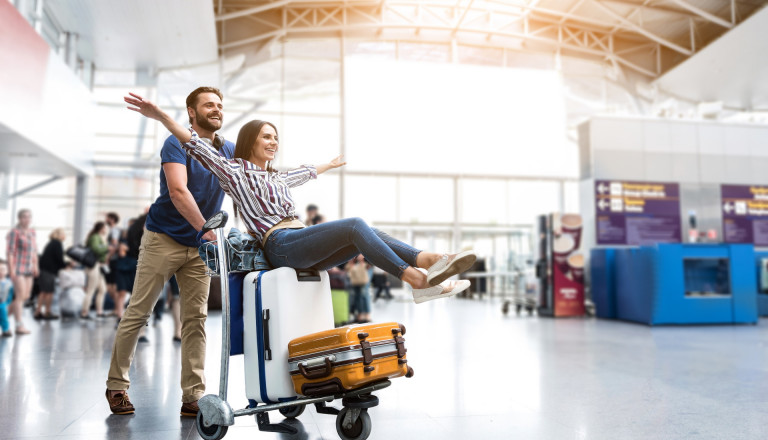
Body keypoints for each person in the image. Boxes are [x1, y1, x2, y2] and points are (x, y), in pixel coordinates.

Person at [125, 93, 477, 304]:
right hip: (280, 244)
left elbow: (306, 172)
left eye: (276, 137)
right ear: (250, 141)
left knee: (366, 234)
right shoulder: (235, 172)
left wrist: (329, 164)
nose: (274, 142)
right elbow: (194, 144)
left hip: (299, 241)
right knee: (354, 225)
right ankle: (415, 277)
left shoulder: (277, 176)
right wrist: (163, 117)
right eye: (267, 136)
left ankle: (429, 259)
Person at [106, 87, 236, 417]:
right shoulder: (175, 142)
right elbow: (178, 192)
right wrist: (207, 230)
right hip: (163, 238)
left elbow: (251, 179)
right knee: (138, 312)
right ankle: (117, 385)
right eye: (209, 105)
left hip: (199, 247)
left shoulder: (229, 149)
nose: (216, 109)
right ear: (192, 112)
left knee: (196, 320)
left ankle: (193, 395)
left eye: (220, 105)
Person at [6, 209, 38, 335]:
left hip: (29, 268)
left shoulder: (32, 232)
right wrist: (11, 270)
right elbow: (10, 252)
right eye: (24, 217)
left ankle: (2, 317)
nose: (27, 219)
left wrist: (36, 266)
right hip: (18, 268)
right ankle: (19, 326)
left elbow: (34, 251)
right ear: (19, 218)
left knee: (25, 296)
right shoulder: (14, 232)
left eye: (29, 217)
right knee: (19, 297)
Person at [35, 228, 68, 320]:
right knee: (49, 292)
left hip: (44, 270)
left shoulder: (51, 243)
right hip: (49, 271)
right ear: (59, 235)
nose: (65, 236)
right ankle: (47, 312)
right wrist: (66, 265)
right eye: (64, 234)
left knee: (43, 292)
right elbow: (59, 258)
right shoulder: (57, 243)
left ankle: (38, 311)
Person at [82, 222, 109, 320]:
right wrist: (107, 248)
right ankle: (84, 312)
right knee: (91, 290)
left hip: (99, 266)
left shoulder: (101, 237)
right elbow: (95, 249)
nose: (107, 229)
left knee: (103, 289)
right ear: (101, 228)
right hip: (94, 266)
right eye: (105, 227)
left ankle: (99, 311)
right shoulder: (95, 237)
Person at [346, 255, 371, 323]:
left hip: (365, 266)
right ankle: (360, 314)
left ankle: (366, 314)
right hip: (356, 270)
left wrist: (362, 259)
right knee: (357, 295)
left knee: (364, 293)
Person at [104, 212, 121, 313]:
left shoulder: (114, 230)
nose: (106, 219)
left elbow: (114, 245)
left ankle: (116, 309)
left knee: (112, 286)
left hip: (113, 261)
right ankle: (117, 308)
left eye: (107, 218)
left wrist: (107, 258)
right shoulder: (110, 230)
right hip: (111, 261)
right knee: (109, 286)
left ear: (112, 219)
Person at [0, 260, 14, 337]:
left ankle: (6, 330)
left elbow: (11, 294)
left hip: (3, 304)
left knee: (4, 317)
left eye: (3, 269)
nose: (1, 272)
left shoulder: (9, 283)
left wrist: (9, 303)